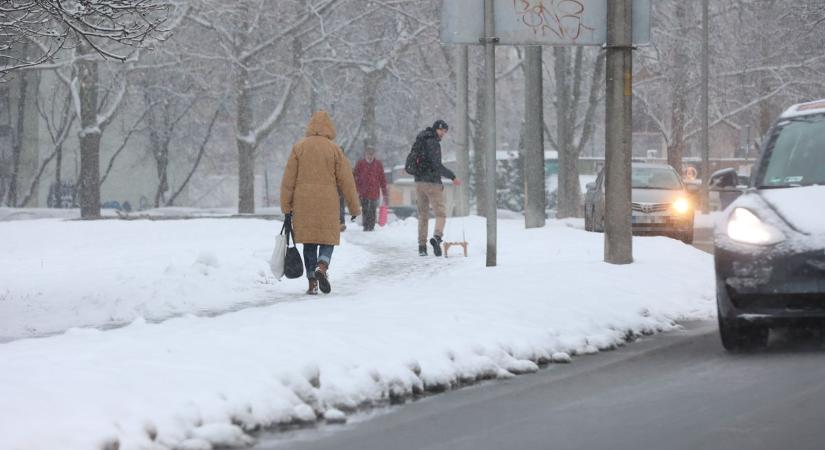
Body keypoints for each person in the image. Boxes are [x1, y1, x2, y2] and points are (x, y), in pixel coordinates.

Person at [281, 111, 361, 295]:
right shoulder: (334, 150)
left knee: (309, 242)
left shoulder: (299, 148)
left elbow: (288, 180)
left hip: (304, 203)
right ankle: (322, 266)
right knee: (327, 238)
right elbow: (346, 180)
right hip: (328, 203)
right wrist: (354, 207)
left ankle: (312, 282)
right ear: (328, 128)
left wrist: (286, 205)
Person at [413, 119, 461, 257]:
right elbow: (437, 166)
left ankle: (422, 247)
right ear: (437, 129)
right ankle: (437, 237)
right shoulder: (433, 143)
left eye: (445, 132)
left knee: (423, 215)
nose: (443, 134)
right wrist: (452, 177)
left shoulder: (421, 139)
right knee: (440, 213)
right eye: (442, 131)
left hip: (419, 182)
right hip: (432, 183)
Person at [353, 147, 389, 231]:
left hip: (374, 191)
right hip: (363, 191)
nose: (370, 156)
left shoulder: (378, 164)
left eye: (372, 154)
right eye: (368, 154)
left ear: (374, 155)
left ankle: (371, 226)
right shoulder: (360, 163)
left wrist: (384, 192)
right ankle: (366, 226)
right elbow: (355, 176)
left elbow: (382, 178)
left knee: (373, 209)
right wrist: (356, 188)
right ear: (365, 154)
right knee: (365, 209)